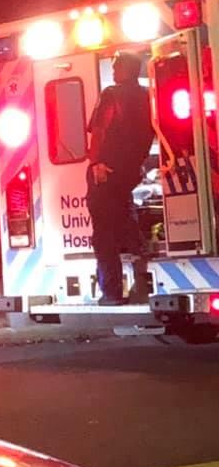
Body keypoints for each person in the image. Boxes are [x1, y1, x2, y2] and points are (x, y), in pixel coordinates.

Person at [86, 51, 154, 305]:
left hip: (106, 171)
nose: (113, 71)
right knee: (126, 219)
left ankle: (111, 292)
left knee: (104, 234)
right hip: (129, 172)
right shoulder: (147, 96)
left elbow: (99, 131)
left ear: (126, 70)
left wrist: (96, 162)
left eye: (116, 67)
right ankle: (141, 274)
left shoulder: (111, 95)